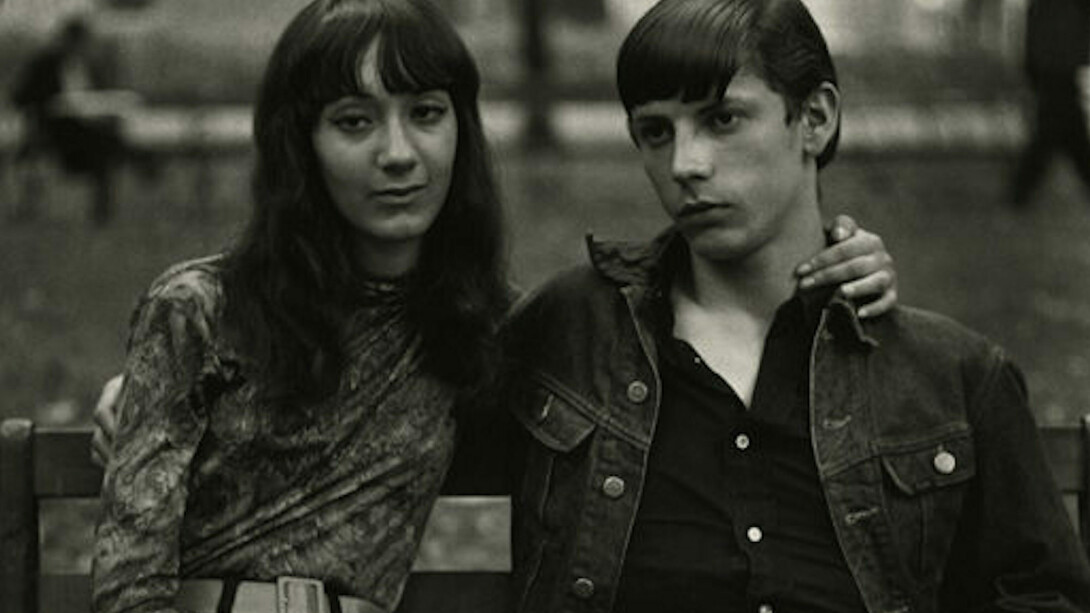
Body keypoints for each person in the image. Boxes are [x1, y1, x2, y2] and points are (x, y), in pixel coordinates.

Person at [89, 1, 898, 612]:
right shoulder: (203, 309)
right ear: (302, 145)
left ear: (461, 132)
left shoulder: (478, 332)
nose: (398, 154)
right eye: (354, 122)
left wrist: (844, 253)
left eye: (426, 115)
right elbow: (130, 583)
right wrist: (146, 391)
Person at [495, 0, 1090, 612]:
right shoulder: (574, 329)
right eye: (655, 132)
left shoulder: (951, 376)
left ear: (815, 119)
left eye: (722, 119)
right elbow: (435, 357)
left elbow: (1044, 595)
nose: (685, 165)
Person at [9, 15, 128, 224]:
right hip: (54, 129)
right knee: (104, 145)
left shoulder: (88, 66)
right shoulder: (44, 65)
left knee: (110, 139)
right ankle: (102, 207)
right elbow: (19, 97)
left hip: (86, 126)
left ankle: (102, 209)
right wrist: (50, 103)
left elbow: (98, 96)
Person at [1011, 0, 1090, 208]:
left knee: (1063, 132)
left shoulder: (1043, 7)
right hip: (1060, 66)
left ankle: (1020, 190)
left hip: (1051, 66)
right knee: (1060, 132)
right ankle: (1020, 190)